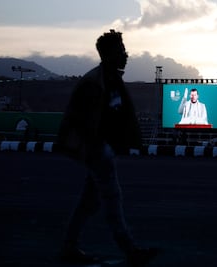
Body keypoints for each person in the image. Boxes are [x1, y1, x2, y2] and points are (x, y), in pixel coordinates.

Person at [57, 29, 158, 267]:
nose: (126, 54)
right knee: (112, 199)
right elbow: (85, 123)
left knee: (89, 202)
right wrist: (100, 148)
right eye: (121, 50)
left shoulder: (110, 79)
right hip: (97, 151)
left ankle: (68, 248)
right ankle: (130, 250)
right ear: (109, 54)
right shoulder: (94, 83)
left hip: (102, 149)